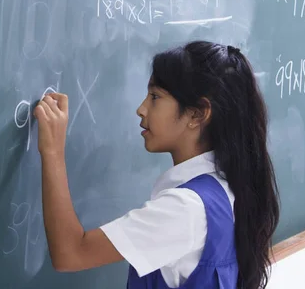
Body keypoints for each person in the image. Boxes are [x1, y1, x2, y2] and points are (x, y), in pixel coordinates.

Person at [33, 40, 280, 289]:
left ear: (197, 114)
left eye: (155, 97)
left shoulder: (184, 210)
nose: (141, 109)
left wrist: (52, 151)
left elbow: (71, 253)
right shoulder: (226, 186)